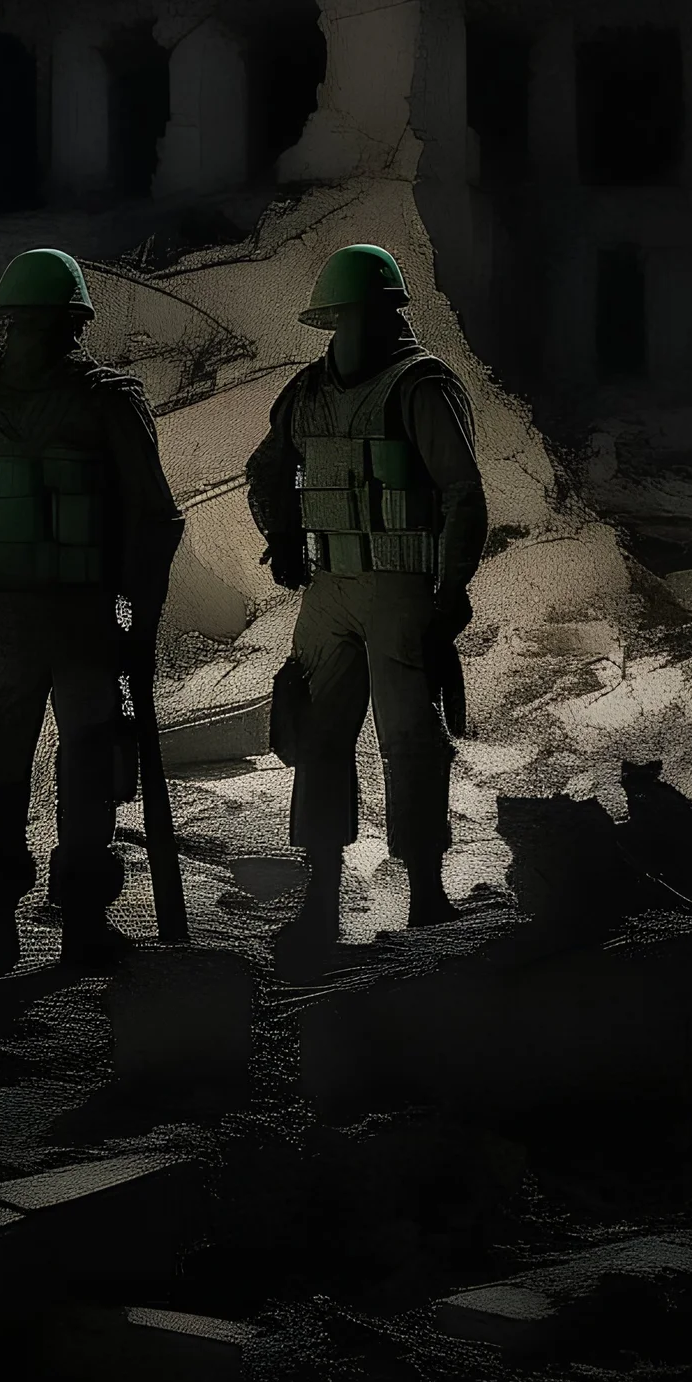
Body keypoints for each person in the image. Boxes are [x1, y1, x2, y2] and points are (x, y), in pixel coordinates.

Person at [0, 248, 184, 976]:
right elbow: (155, 519)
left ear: (7, 317)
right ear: (76, 320)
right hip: (83, 616)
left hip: (5, 615)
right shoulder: (108, 398)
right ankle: (83, 930)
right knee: (90, 763)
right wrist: (145, 623)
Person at [244, 240, 487, 973]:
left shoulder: (412, 386)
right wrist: (284, 536)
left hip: (390, 587)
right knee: (328, 735)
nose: (347, 335)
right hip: (346, 590)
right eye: (342, 322)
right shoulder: (329, 389)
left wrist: (449, 586)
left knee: (406, 738)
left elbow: (462, 495)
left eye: (353, 319)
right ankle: (331, 898)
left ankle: (421, 893)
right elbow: (267, 471)